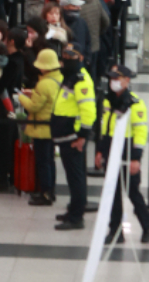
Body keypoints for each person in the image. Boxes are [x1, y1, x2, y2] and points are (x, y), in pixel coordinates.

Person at [96, 64, 149, 244]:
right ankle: (115, 231)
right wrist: (99, 151)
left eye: (117, 78)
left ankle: (146, 227)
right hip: (111, 149)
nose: (113, 82)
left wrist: (136, 158)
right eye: (112, 78)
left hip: (128, 151)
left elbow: (141, 133)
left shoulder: (135, 103)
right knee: (113, 193)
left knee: (132, 192)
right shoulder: (107, 101)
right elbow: (104, 128)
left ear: (127, 81)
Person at [51, 44, 96, 230]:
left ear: (80, 57)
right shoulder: (69, 77)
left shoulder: (81, 80)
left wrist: (82, 137)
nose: (66, 58)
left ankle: (77, 217)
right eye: (64, 55)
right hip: (65, 136)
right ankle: (73, 209)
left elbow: (89, 112)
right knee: (71, 176)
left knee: (76, 177)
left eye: (71, 55)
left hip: (73, 138)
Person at [17, 47, 63, 206]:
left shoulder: (44, 84)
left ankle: (45, 193)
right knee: (50, 160)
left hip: (41, 128)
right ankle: (51, 191)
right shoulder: (59, 80)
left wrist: (21, 97)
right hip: (53, 126)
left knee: (43, 161)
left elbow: (33, 107)